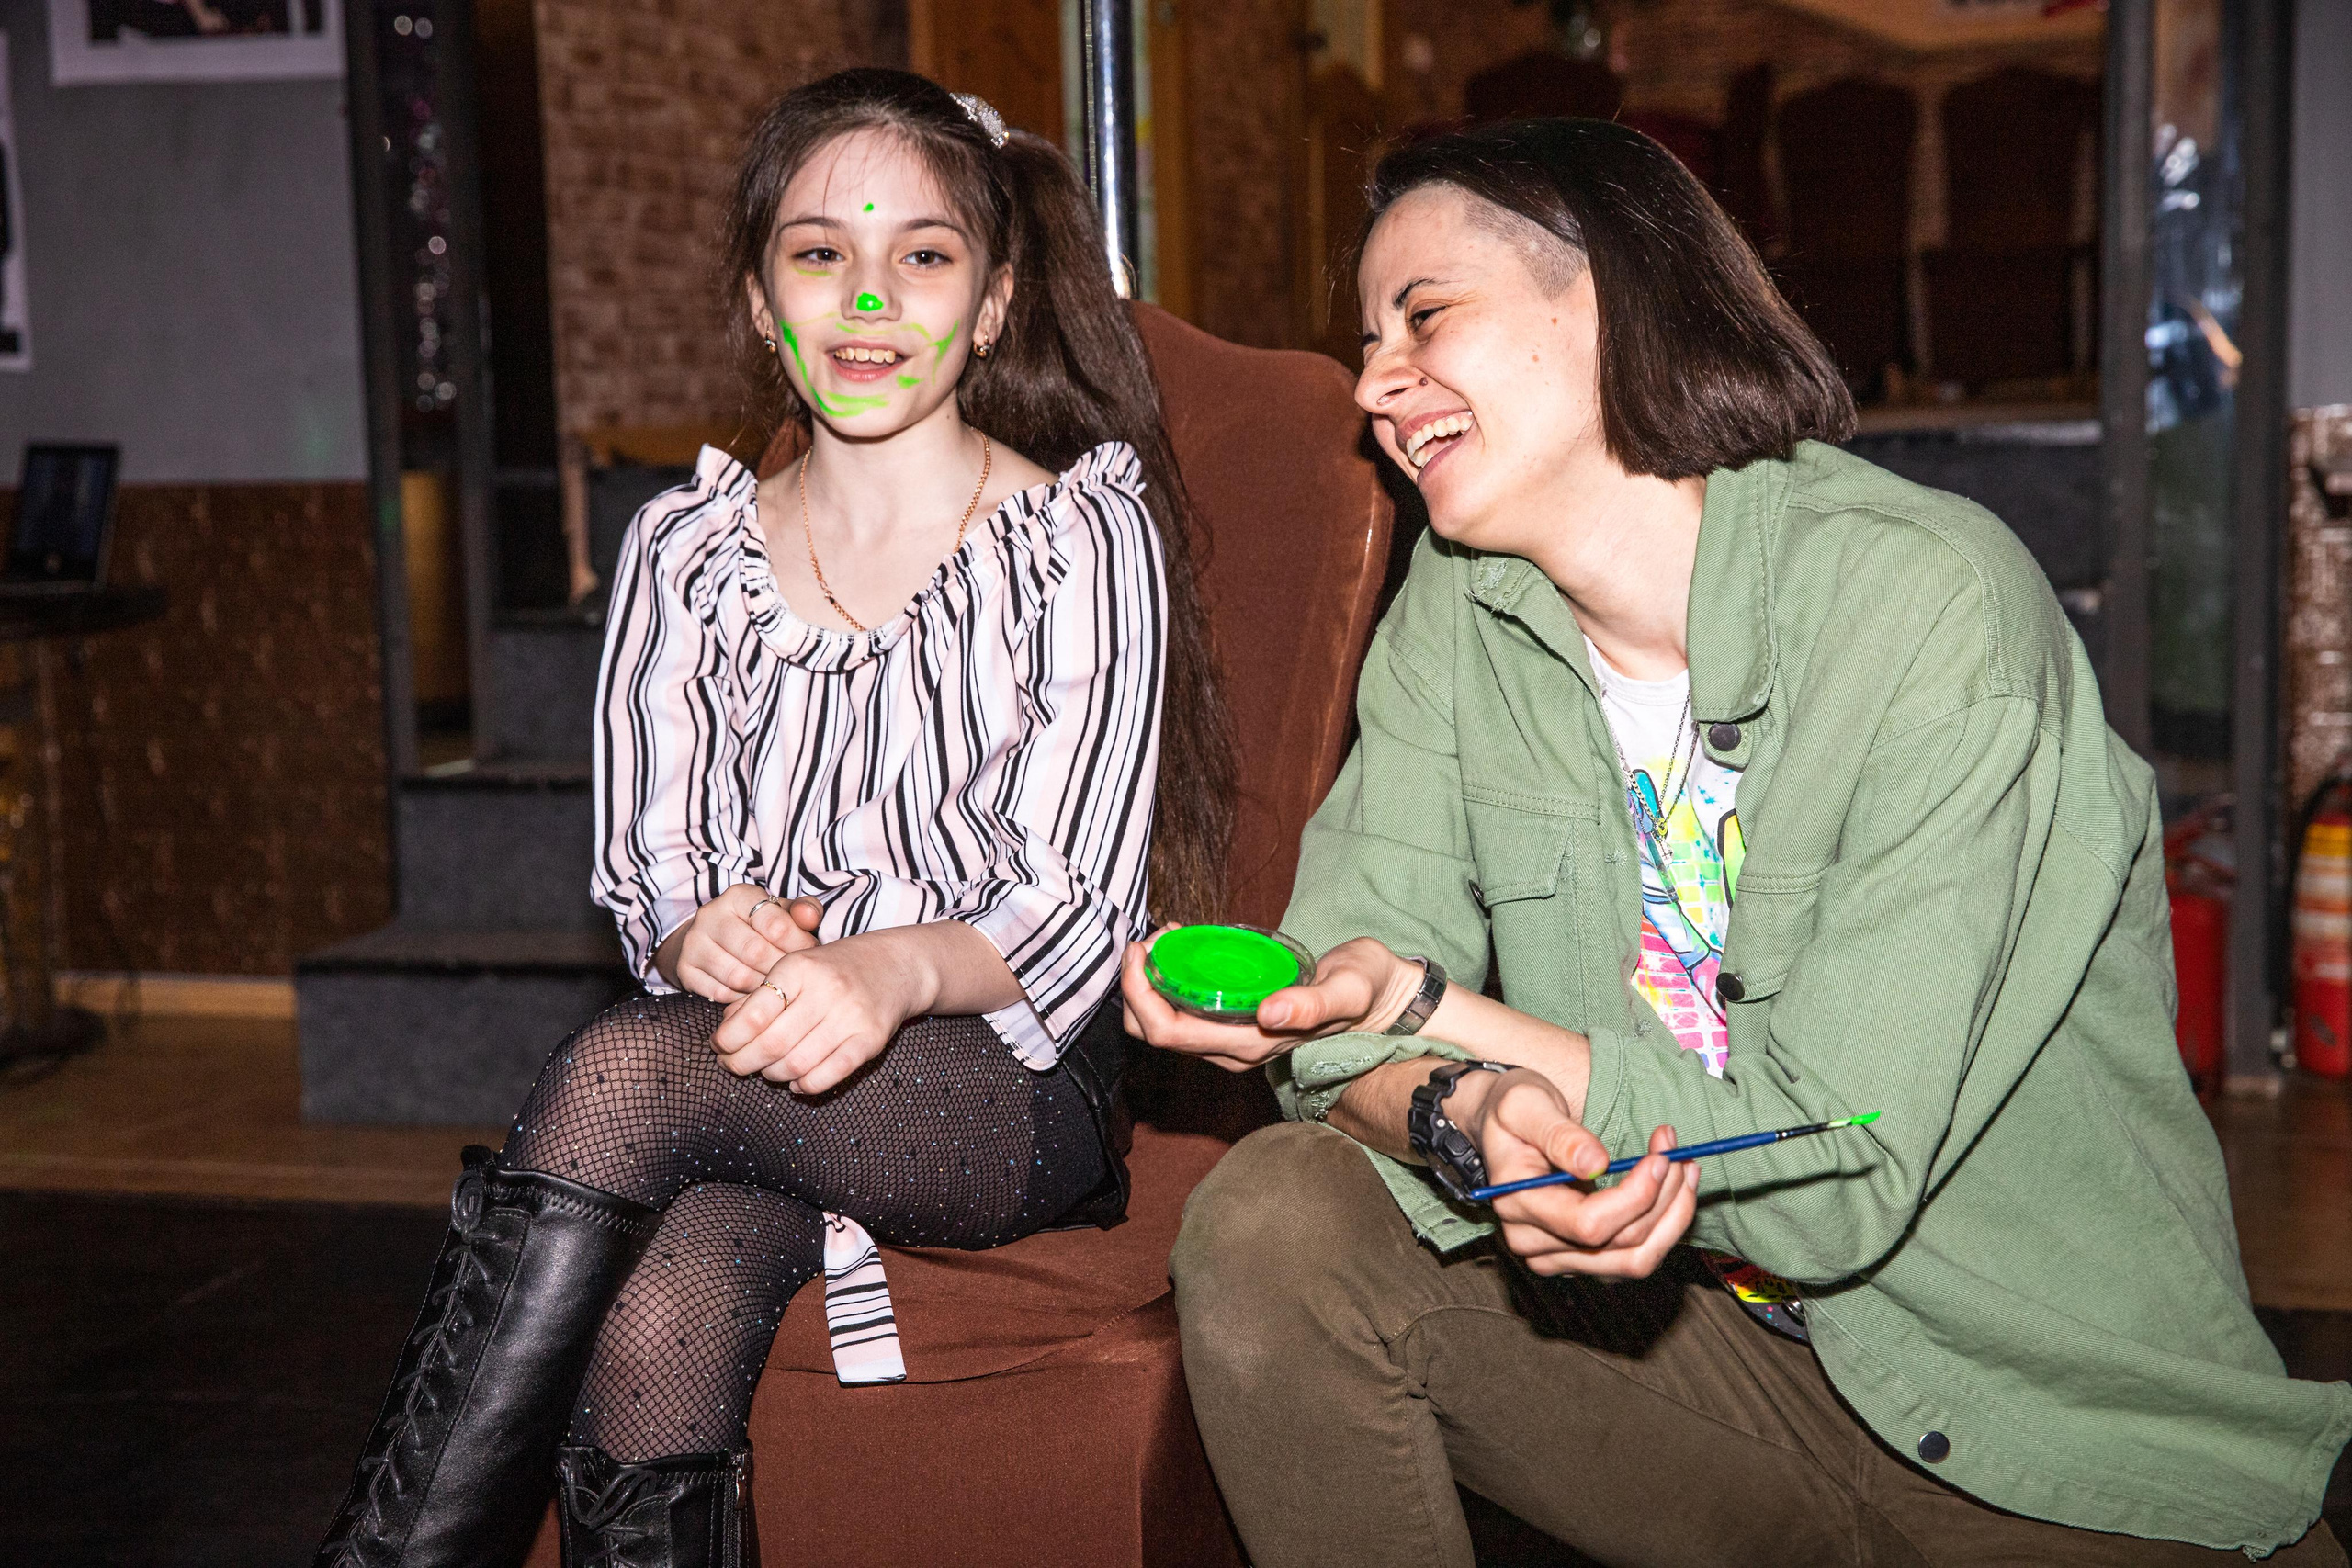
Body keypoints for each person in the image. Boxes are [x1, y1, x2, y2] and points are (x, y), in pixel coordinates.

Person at [1124, 118, 2349, 1567]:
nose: (1378, 382)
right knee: (1276, 1223)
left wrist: (1437, 1019)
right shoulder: (1458, 615)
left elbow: (1834, 1161)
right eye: (1371, 337)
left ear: (1613, 298)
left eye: (1427, 317)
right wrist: (1462, 1115)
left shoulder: (1931, 606)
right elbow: (1331, 1009)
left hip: (2054, 1444)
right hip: (1705, 1381)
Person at [316, 68, 1231, 1567]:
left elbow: (1073, 897)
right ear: (761, 301)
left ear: (993, 304)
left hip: (999, 1081)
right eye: (821, 253)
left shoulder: (1077, 538)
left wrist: (885, 970)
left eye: (923, 256)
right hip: (744, 1071)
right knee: (668, 1290)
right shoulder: (685, 552)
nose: (869, 296)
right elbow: (653, 865)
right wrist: (698, 929)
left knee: (625, 1075)